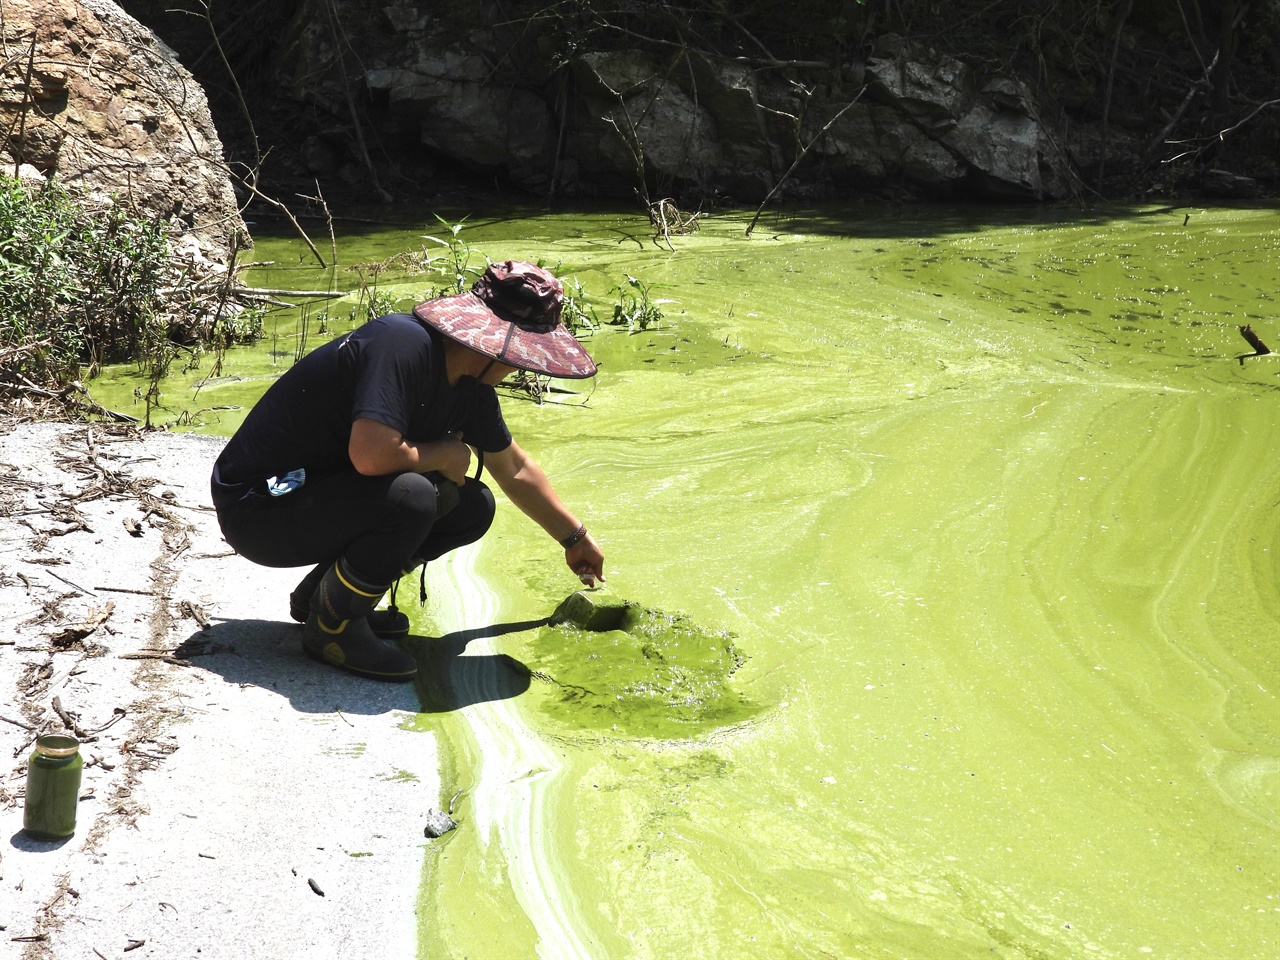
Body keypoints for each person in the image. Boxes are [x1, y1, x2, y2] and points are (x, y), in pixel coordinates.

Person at [210, 260, 605, 682]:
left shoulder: (472, 386)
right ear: (491, 339)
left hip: (314, 500)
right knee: (412, 496)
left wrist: (574, 537)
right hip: (260, 505)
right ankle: (333, 630)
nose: (521, 365)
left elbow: (514, 467)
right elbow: (371, 456)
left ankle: (326, 601)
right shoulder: (401, 344)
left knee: (471, 505)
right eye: (520, 351)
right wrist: (444, 453)